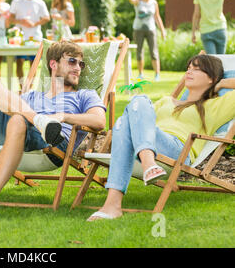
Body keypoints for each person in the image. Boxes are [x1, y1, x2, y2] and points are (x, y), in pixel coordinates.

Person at [0, 40, 107, 224]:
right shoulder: (32, 96)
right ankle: (38, 119)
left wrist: (62, 116)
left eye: (81, 64)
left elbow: (99, 121)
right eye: (72, 61)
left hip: (51, 143)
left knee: (18, 118)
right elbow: (2, 109)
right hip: (13, 133)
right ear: (53, 64)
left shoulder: (84, 95)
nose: (78, 68)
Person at [87, 54, 235, 222]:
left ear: (212, 78)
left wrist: (220, 84)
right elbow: (137, 119)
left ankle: (116, 201)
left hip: (178, 149)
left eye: (196, 69)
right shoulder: (166, 101)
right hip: (150, 143)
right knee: (136, 104)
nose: (189, 72)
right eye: (188, 68)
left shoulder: (216, 106)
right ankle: (145, 166)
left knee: (134, 107)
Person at [9, 0, 50, 88]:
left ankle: (28, 89)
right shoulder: (17, 0)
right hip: (20, 38)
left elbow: (47, 17)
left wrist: (35, 23)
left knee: (33, 65)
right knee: (19, 63)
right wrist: (21, 21)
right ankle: (22, 88)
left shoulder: (40, 2)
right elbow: (10, 18)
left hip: (35, 37)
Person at [126, 0, 166, 82]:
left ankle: (157, 75)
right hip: (138, 29)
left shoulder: (154, 3)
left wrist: (162, 30)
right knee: (139, 52)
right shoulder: (138, 2)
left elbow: (157, 17)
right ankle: (140, 74)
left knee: (154, 52)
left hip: (151, 29)